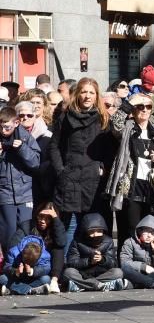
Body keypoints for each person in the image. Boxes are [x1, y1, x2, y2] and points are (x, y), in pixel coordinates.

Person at [105, 93, 154, 250]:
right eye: (140, 106)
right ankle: (126, 266)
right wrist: (129, 102)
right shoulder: (127, 126)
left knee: (149, 230)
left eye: (148, 106)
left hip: (151, 187)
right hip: (129, 186)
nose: (144, 110)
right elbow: (115, 123)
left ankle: (146, 264)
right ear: (133, 110)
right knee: (129, 231)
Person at [49, 78, 111, 238]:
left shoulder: (102, 119)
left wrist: (103, 166)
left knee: (90, 224)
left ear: (97, 96)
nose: (87, 96)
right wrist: (60, 170)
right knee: (69, 225)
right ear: (77, 94)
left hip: (92, 179)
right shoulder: (65, 117)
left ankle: (84, 261)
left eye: (91, 92)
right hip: (69, 176)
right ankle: (66, 262)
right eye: (84, 92)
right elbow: (54, 146)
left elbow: (108, 148)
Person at [0, 106, 40, 247]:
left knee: (25, 231)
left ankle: (26, 263)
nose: (3, 131)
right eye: (1, 127)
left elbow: (36, 163)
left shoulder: (25, 137)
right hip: (5, 193)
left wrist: (22, 148)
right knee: (8, 233)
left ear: (16, 123)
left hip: (25, 193)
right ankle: (8, 265)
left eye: (7, 127)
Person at [13, 203, 66, 293]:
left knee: (58, 249)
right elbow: (13, 249)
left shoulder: (55, 228)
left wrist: (56, 219)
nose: (43, 221)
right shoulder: (27, 226)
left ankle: (54, 281)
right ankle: (30, 289)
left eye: (48, 218)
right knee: (3, 278)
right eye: (41, 217)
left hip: (43, 269)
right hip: (24, 268)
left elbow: (61, 243)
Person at [63, 213, 124, 292]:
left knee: (118, 272)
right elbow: (71, 262)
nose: (96, 234)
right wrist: (89, 261)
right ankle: (99, 285)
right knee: (68, 272)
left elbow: (113, 263)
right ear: (86, 232)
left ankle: (83, 285)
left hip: (102, 274)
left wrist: (103, 259)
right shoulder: (77, 242)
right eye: (92, 232)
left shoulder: (108, 241)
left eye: (99, 231)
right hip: (83, 274)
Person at [119, 215, 154, 289]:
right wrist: (143, 267)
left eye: (152, 233)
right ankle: (152, 283)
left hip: (153, 274)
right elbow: (124, 262)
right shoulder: (129, 242)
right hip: (136, 273)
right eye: (146, 231)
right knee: (125, 269)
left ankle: (138, 284)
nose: (149, 236)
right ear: (140, 231)